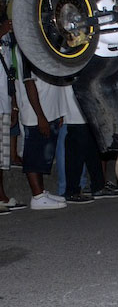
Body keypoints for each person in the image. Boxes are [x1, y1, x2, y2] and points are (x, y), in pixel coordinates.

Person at [15, 47, 67, 210]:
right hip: (36, 113)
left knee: (41, 155)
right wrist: (41, 116)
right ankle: (37, 196)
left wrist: (58, 111)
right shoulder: (26, 49)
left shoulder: (42, 45)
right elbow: (29, 83)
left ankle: (42, 192)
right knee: (33, 155)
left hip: (49, 110)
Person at [0, 13, 26, 214]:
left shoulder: (9, 39)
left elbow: (11, 73)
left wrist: (14, 105)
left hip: (5, 103)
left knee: (2, 157)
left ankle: (1, 196)